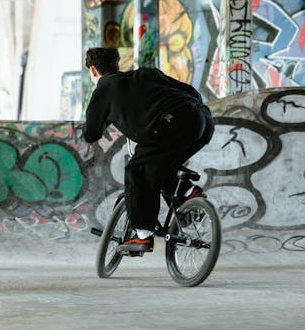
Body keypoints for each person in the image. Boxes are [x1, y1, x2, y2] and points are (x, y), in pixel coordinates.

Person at [82, 47, 214, 253]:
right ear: (117, 64)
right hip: (202, 121)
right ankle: (187, 193)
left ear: (92, 70)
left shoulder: (104, 87)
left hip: (171, 125)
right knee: (158, 165)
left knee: (137, 171)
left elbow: (90, 134)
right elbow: (192, 92)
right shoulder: (145, 74)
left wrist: (106, 113)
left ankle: (142, 235)